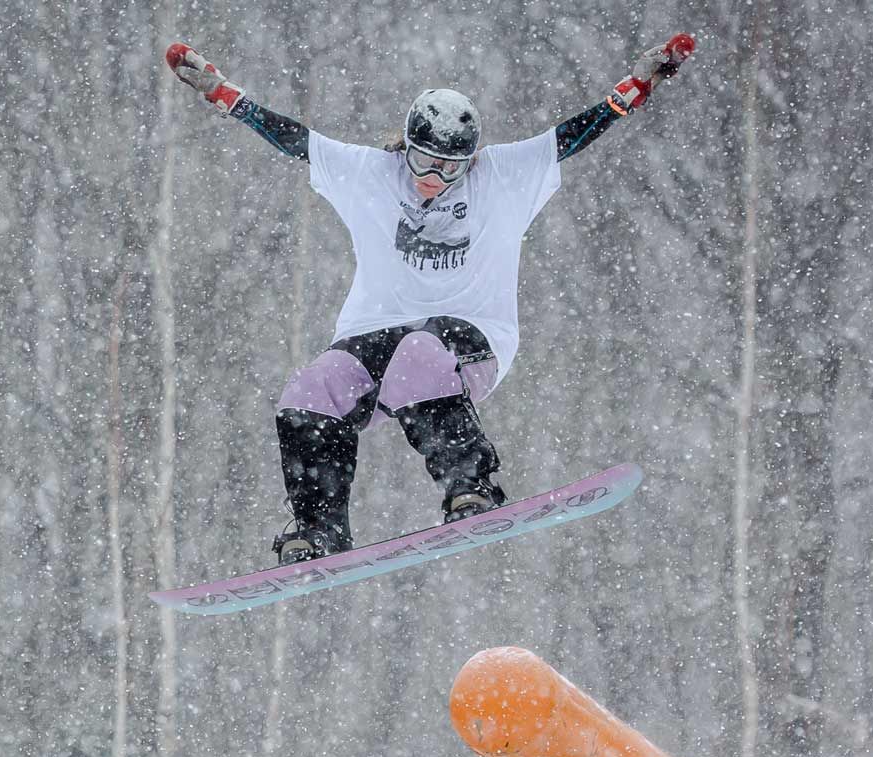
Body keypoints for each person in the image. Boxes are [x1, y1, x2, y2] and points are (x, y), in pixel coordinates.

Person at [164, 35, 698, 564]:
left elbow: (574, 135)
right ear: (405, 147)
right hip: (375, 333)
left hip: (468, 338)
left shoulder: (503, 176)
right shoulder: (371, 173)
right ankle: (319, 528)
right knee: (312, 387)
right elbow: (295, 139)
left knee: (418, 353)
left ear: (470, 161)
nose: (434, 179)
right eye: (423, 163)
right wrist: (227, 97)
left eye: (450, 167)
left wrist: (635, 86)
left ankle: (471, 487)